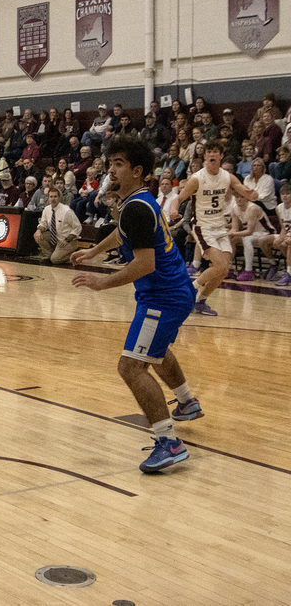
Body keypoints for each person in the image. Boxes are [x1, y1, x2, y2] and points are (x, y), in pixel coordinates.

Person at [71, 135, 203, 473]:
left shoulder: (137, 208)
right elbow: (123, 233)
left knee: (131, 366)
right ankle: (186, 401)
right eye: (110, 163)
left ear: (137, 170)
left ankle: (168, 441)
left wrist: (102, 282)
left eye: (119, 165)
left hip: (164, 297)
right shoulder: (137, 202)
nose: (111, 170)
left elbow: (145, 264)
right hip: (171, 293)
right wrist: (94, 251)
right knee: (153, 352)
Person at [170, 139, 258, 316]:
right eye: (208, 151)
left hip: (219, 227)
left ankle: (200, 301)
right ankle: (190, 291)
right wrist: (173, 208)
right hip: (203, 227)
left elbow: (241, 188)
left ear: (221, 155)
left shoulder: (227, 176)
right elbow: (179, 198)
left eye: (215, 151)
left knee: (223, 270)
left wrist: (251, 194)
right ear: (205, 155)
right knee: (218, 265)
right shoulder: (197, 178)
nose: (211, 154)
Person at [227, 192, 278, 281]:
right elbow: (234, 228)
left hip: (265, 233)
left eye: (242, 197)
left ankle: (248, 272)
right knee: (231, 239)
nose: (239, 199)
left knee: (246, 239)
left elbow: (250, 231)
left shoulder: (252, 208)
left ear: (247, 198)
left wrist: (233, 233)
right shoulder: (234, 207)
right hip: (252, 234)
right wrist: (229, 234)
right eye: (237, 196)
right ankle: (229, 269)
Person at [33, 187, 81, 264]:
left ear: (59, 198)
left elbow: (78, 227)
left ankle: (75, 255)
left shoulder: (66, 211)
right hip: (56, 238)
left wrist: (67, 240)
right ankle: (49, 255)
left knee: (55, 260)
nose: (53, 199)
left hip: (69, 240)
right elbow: (43, 224)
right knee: (39, 235)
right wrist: (38, 230)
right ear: (48, 198)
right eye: (51, 197)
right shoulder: (46, 209)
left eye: (55, 196)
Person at [272, 183, 291, 286]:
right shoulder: (279, 208)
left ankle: (289, 274)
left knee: (289, 245)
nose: (285, 196)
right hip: (288, 233)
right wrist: (280, 237)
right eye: (283, 193)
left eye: (288, 193)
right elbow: (283, 227)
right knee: (279, 243)